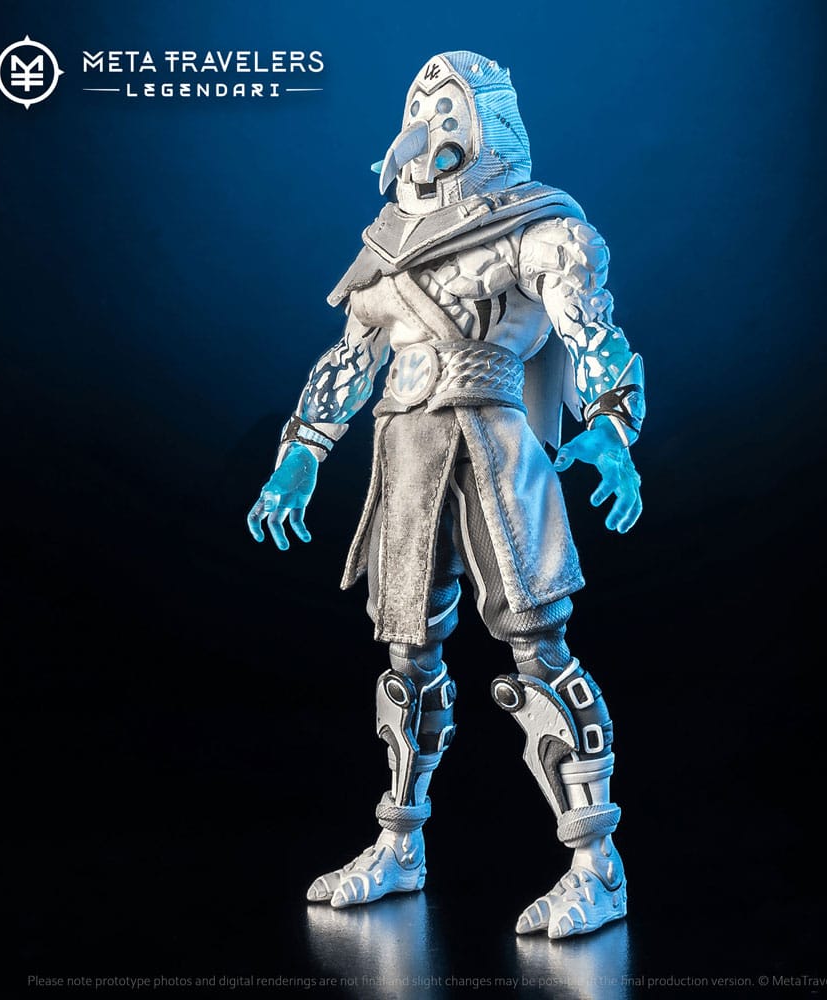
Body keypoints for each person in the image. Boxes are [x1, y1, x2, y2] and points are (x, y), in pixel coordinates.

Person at [247, 51, 645, 939]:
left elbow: (591, 330)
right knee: (408, 655)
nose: (429, 118)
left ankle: (597, 865)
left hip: (494, 448)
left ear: (488, 122)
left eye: (449, 104)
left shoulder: (534, 227)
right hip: (405, 453)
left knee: (538, 644)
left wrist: (614, 428)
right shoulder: (385, 247)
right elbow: (350, 361)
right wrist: (300, 453)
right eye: (419, 104)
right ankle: (400, 844)